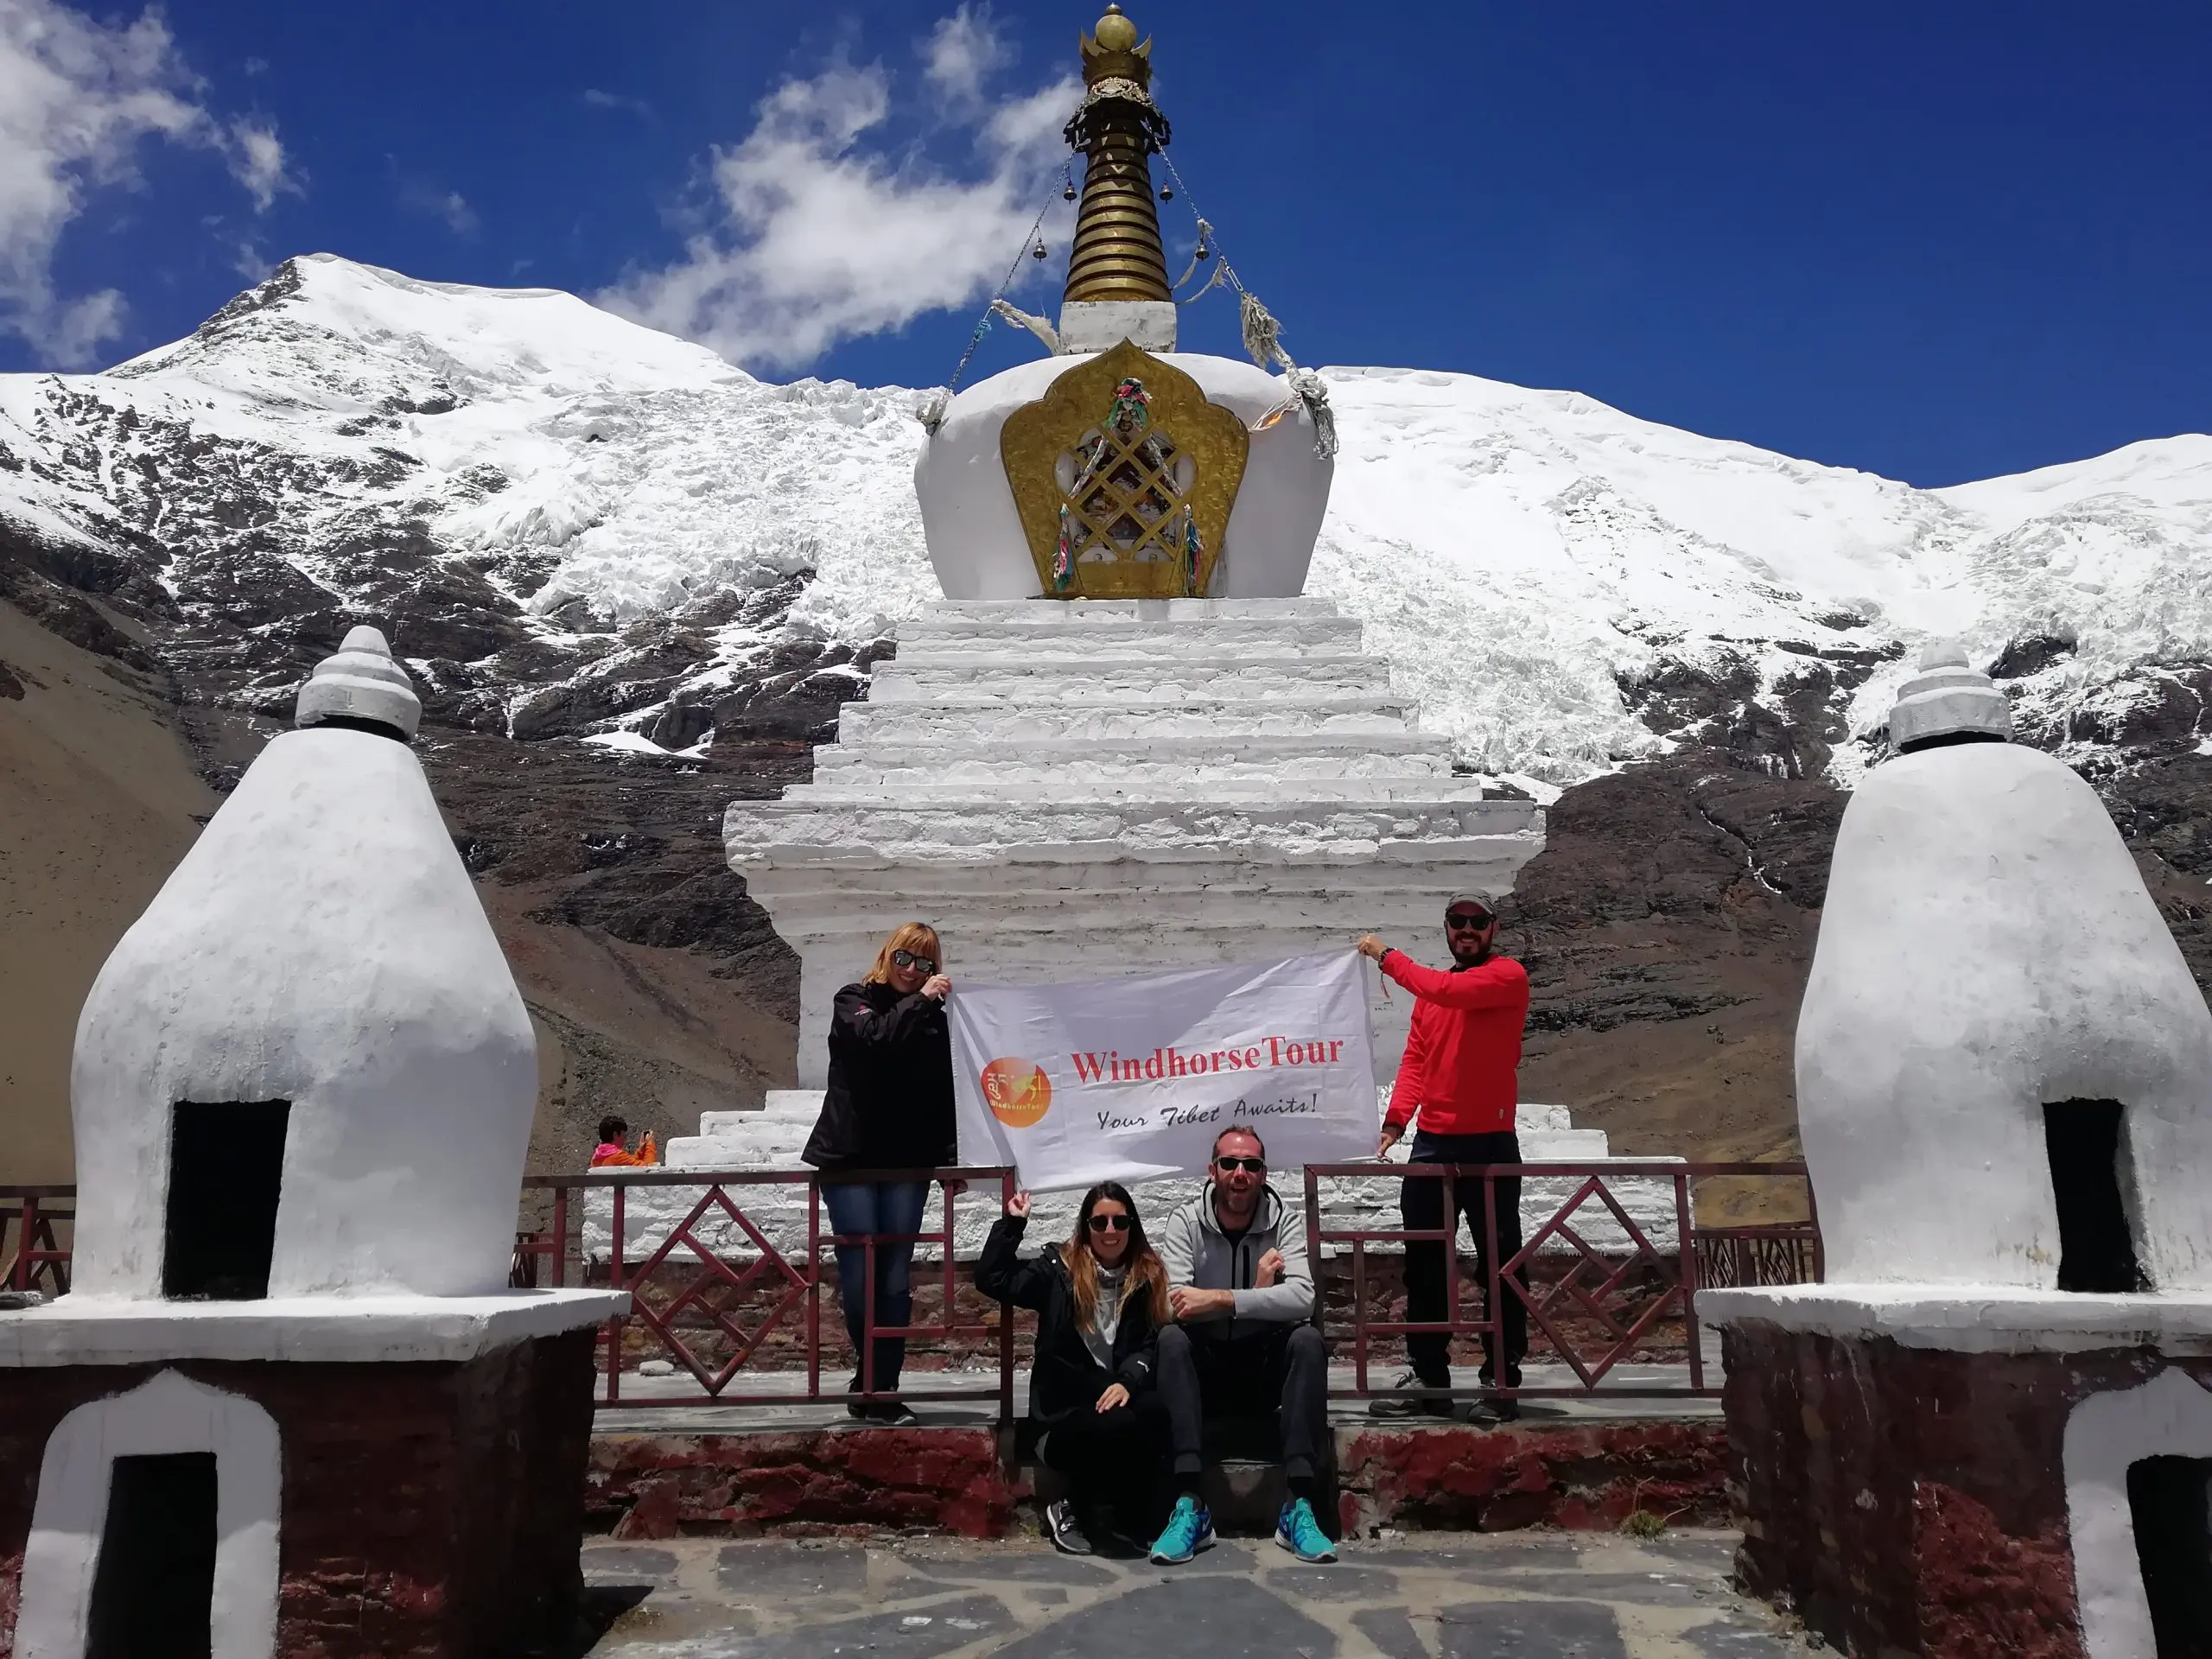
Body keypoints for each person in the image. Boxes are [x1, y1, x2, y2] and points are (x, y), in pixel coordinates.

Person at [1357, 897, 1533, 1423]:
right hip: (1433, 1141)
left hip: (1490, 1141)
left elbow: (1444, 988)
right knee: (1425, 1264)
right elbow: (1416, 1060)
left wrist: (1385, 956)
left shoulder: (1506, 976)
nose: (1468, 930)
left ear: (1493, 929)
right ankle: (1429, 1375)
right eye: (1458, 923)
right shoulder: (1430, 997)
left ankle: (1501, 1380)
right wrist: (1396, 1120)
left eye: (1478, 923)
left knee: (1500, 1265)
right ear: (1447, 930)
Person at [1148, 1126, 1337, 1566]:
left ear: (1263, 1173)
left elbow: (1302, 1299)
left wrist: (1223, 1298)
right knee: (1172, 1340)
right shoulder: (1186, 1221)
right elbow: (1175, 1306)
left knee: (1307, 1341)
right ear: (1212, 1170)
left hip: (1262, 1368)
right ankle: (1190, 1503)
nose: (1240, 1173)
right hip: (1207, 1371)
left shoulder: (1283, 1220)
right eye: (1230, 1164)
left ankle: (1299, 1505)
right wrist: (1261, 1295)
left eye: (1250, 1165)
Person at [805, 921, 957, 1427]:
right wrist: (924, 1001)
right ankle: (869, 1377)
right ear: (887, 956)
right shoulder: (854, 999)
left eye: (925, 965)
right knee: (859, 1271)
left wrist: (949, 1161)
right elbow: (874, 1039)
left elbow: (941, 1094)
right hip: (850, 1160)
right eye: (905, 960)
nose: (913, 972)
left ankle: (881, 1385)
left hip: (905, 1161)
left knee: (894, 1276)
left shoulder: (932, 1019)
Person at [976, 1183, 1171, 1555]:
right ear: (1085, 1227)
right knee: (1116, 1425)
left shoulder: (1145, 1277)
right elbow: (993, 1279)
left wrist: (1129, 1380)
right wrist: (1012, 1225)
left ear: (1132, 1227)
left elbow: (1150, 1342)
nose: (1110, 1231)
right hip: (1060, 1417)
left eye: (1120, 1221)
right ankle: (1073, 1510)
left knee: (1153, 1413)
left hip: (1116, 1405)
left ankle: (1140, 1515)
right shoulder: (1058, 1273)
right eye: (1100, 1222)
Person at [589, 1116, 658, 1167]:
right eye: (623, 1136)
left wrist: (641, 1150)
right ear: (615, 1135)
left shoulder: (597, 1157)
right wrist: (650, 1144)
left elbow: (629, 1163)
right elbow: (649, 1169)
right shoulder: (617, 1156)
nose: (624, 1140)